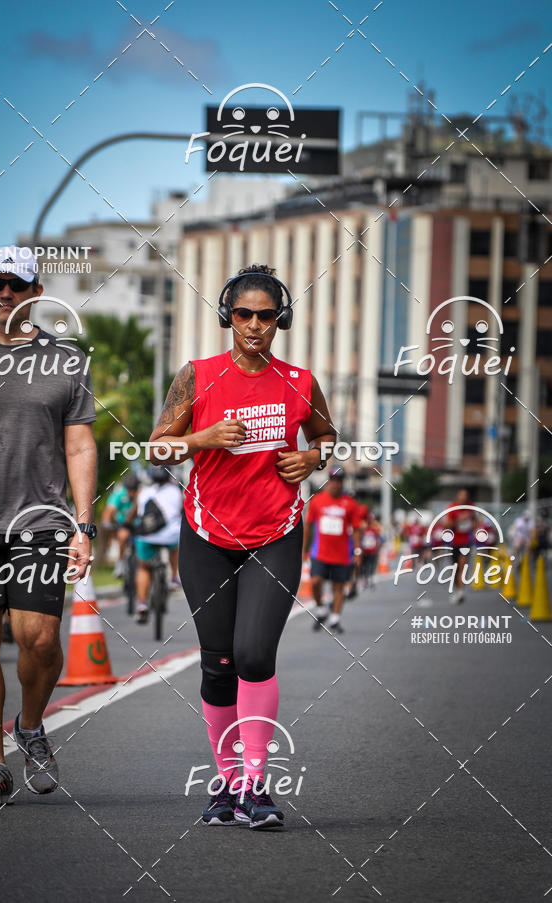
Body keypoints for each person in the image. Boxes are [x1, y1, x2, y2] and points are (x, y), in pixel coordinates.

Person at [145, 264, 336, 829]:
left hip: (275, 533)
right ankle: (227, 786)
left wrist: (315, 458)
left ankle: (256, 785)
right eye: (245, 314)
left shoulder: (299, 381)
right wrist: (199, 439)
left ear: (281, 320)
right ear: (228, 315)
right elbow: (156, 449)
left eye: (267, 315)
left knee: (254, 654)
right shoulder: (197, 376)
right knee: (219, 664)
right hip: (207, 538)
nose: (255, 325)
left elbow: (327, 435)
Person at [0, 246, 97, 806]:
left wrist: (83, 526)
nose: (6, 293)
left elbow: (80, 444)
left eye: (18, 285)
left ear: (36, 292)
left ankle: (31, 725)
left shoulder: (66, 360)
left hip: (40, 520)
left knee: (38, 638)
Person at [303, 468, 358, 633]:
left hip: (342, 554)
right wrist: (304, 549)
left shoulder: (350, 504)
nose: (335, 483)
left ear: (342, 483)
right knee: (315, 581)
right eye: (333, 480)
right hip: (319, 552)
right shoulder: (317, 501)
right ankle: (321, 609)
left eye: (339, 480)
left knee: (338, 588)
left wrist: (357, 552)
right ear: (328, 481)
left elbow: (356, 529)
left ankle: (335, 619)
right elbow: (309, 526)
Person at [133, 467, 183, 624]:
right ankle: (174, 578)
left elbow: (139, 514)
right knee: (175, 548)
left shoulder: (144, 492)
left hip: (147, 536)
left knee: (143, 568)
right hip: (171, 536)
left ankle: (142, 604)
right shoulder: (176, 492)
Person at [102, 474, 140, 577]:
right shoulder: (119, 494)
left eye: (134, 489)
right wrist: (106, 523)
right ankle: (120, 563)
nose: (131, 492)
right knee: (123, 536)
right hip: (123, 524)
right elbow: (109, 510)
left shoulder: (141, 494)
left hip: (139, 525)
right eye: (129, 489)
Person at [444, 489, 477, 604]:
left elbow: (476, 522)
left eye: (465, 496)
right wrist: (459, 520)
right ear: (458, 497)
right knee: (455, 568)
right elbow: (446, 525)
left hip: (466, 541)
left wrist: (475, 528)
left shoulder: (471, 507)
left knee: (463, 566)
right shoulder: (452, 507)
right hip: (454, 542)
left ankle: (461, 591)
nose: (463, 498)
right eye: (461, 496)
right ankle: (457, 589)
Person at [359, 511, 383, 589]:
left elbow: (378, 539)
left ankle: (371, 580)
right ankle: (366, 580)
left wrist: (378, 548)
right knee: (365, 566)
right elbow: (359, 538)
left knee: (371, 566)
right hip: (365, 551)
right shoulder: (363, 530)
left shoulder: (374, 530)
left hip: (373, 551)